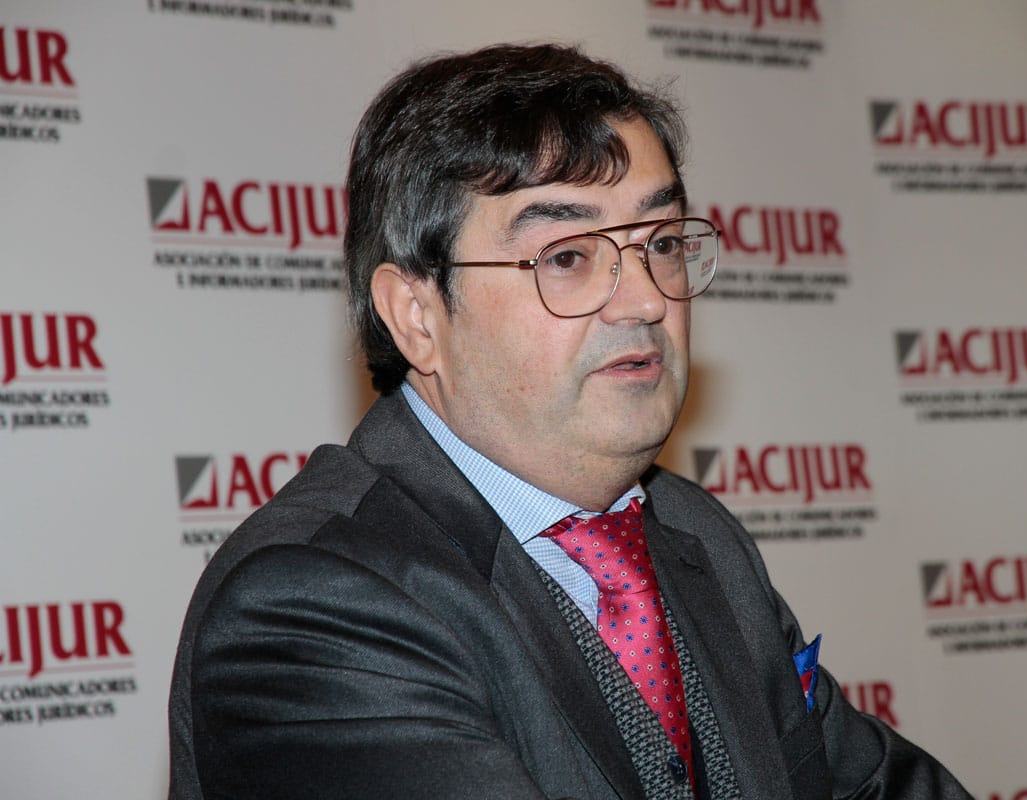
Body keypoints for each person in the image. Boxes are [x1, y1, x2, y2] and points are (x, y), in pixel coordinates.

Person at [167, 43, 971, 800]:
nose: (647, 299)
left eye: (661, 242)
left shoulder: (698, 536)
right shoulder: (313, 606)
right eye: (567, 257)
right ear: (416, 315)